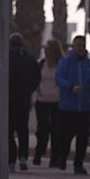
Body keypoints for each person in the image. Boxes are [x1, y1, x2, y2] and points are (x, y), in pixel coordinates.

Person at [54, 34, 90, 173]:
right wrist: (71, 87)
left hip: (83, 107)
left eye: (82, 45)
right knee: (65, 136)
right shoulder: (66, 61)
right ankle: (62, 157)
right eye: (78, 45)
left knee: (82, 137)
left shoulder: (89, 64)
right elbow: (59, 78)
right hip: (67, 107)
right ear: (73, 46)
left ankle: (78, 163)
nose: (80, 48)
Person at [5, 33, 41, 171]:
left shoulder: (6, 58)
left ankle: (11, 159)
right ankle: (23, 157)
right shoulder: (30, 59)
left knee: (8, 131)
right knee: (22, 129)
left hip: (9, 99)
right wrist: (29, 90)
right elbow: (37, 78)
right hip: (24, 100)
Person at [34, 38, 62, 167]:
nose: (48, 52)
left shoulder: (61, 65)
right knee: (42, 130)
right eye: (46, 49)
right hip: (42, 101)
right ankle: (39, 152)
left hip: (57, 101)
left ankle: (54, 158)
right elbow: (35, 80)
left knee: (57, 130)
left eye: (50, 49)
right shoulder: (41, 64)